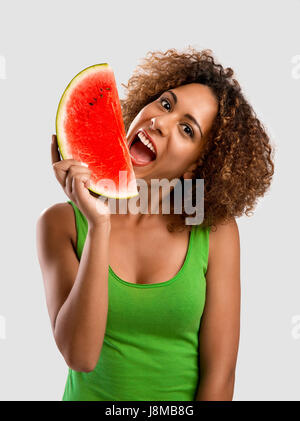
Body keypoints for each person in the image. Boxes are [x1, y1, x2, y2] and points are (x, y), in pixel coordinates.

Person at [36, 47, 275, 401]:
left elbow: (220, 377)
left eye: (186, 129)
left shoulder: (215, 234)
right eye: (165, 104)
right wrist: (99, 226)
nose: (160, 122)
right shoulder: (61, 224)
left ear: (196, 166)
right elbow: (81, 356)